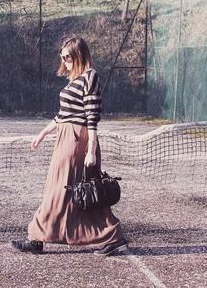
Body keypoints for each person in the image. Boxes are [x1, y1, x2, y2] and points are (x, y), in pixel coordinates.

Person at [10, 36, 128, 256]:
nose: (64, 62)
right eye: (62, 57)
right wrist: (42, 134)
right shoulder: (75, 79)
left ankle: (37, 238)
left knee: (66, 190)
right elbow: (62, 115)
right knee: (73, 192)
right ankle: (111, 236)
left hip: (77, 140)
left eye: (67, 57)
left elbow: (92, 116)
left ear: (78, 55)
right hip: (65, 137)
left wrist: (91, 150)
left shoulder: (90, 77)